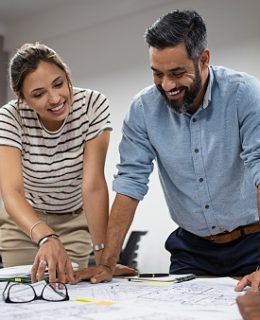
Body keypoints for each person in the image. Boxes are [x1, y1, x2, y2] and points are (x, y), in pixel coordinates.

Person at [71, 9, 260, 285]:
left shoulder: (244, 95)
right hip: (192, 248)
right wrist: (107, 263)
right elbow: (130, 183)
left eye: (177, 73)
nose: (167, 85)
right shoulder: (143, 110)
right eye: (157, 74)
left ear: (204, 59)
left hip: (253, 244)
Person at [0, 43, 136, 284]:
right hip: (25, 224)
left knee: (68, 295)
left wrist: (105, 260)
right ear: (22, 98)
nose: (54, 99)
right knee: (23, 296)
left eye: (59, 84)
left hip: (74, 222)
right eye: (38, 94)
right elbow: (12, 192)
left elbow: (92, 185)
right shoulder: (10, 117)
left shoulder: (93, 105)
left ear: (67, 75)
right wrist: (45, 237)